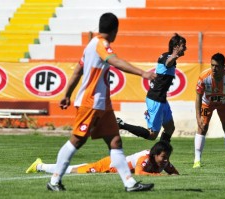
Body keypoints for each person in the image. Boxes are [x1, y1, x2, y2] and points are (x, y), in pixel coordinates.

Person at [46, 13, 157, 192]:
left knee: (115, 142)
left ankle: (130, 183)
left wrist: (66, 94)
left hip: (103, 105)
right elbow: (114, 61)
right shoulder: (100, 44)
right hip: (90, 103)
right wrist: (142, 73)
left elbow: (77, 71)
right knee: (76, 141)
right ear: (114, 31)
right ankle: (54, 180)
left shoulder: (90, 45)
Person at [117, 33, 187, 141]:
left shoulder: (167, 57)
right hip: (155, 100)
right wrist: (173, 57)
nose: (185, 48)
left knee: (170, 128)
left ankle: (163, 153)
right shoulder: (167, 58)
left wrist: (173, 57)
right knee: (152, 135)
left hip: (161, 99)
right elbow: (168, 63)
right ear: (176, 47)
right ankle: (121, 124)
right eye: (183, 45)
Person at [193, 53, 225, 168]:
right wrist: (198, 117)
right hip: (207, 103)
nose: (214, 68)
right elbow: (198, 97)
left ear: (223, 66)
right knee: (202, 127)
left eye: (217, 66)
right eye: (212, 65)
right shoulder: (204, 77)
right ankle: (197, 160)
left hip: (224, 103)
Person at [26, 141, 179, 176]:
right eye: (164, 157)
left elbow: (173, 172)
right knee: (74, 171)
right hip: (108, 166)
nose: (166, 161)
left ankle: (40, 165)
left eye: (167, 158)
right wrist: (158, 175)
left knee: (78, 168)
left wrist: (175, 175)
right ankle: (39, 166)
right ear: (154, 155)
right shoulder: (145, 159)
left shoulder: (162, 160)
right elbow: (139, 173)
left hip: (112, 165)